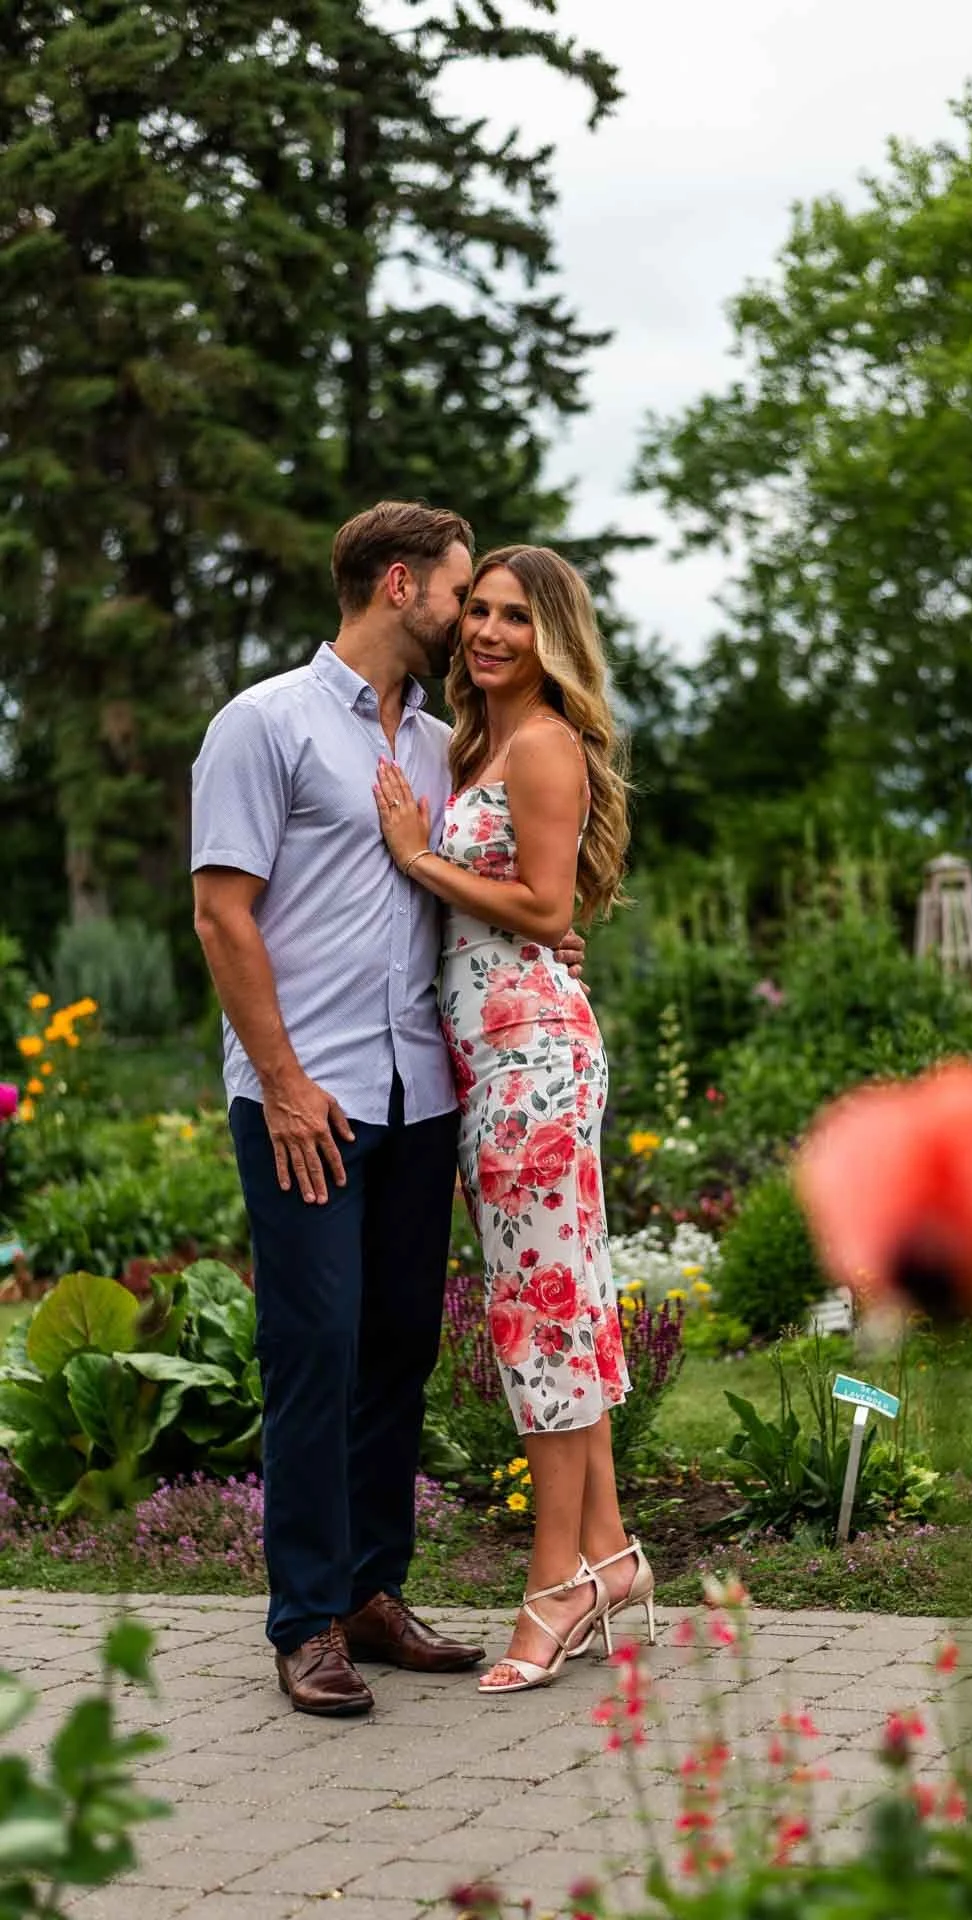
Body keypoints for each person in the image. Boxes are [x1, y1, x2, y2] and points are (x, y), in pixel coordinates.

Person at [190, 502, 585, 1716]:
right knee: (312, 1351)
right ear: (399, 584)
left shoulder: (435, 744)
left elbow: (490, 877)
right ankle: (304, 1619)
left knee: (397, 1351)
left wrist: (543, 923)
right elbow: (221, 913)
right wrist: (286, 1081)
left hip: (419, 1097)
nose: (471, 619)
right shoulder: (261, 725)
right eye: (462, 596)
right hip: (308, 1098)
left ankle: (371, 1591)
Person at [373, 545, 654, 1695]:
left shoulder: (541, 746)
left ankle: (554, 1587)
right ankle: (609, 1556)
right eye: (477, 611)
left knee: (538, 1318)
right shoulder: (475, 741)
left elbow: (543, 905)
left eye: (513, 620)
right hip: (492, 1051)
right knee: (561, 1306)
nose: (486, 632)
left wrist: (417, 859)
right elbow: (536, 913)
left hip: (530, 1056)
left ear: (552, 640)